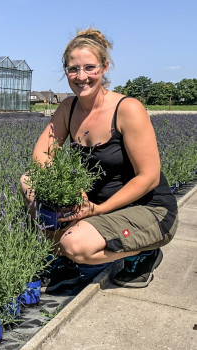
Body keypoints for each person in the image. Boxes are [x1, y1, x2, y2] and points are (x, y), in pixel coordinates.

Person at [20, 28, 178, 292]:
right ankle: (64, 262)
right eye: (73, 69)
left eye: (89, 67)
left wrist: (97, 210)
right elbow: (41, 155)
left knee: (75, 244)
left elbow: (148, 177)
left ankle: (143, 254)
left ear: (104, 68)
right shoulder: (67, 108)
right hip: (95, 204)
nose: (81, 77)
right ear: (65, 70)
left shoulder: (127, 109)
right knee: (29, 182)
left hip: (148, 210)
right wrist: (70, 189)